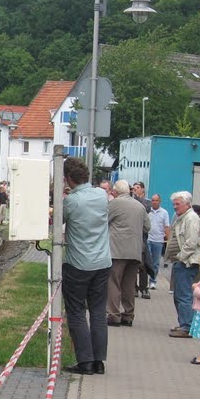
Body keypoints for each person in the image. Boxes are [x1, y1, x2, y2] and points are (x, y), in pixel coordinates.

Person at [61, 157, 112, 375]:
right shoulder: (102, 195)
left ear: (68, 178)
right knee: (99, 312)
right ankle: (99, 361)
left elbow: (57, 223)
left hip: (78, 264)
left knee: (76, 312)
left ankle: (85, 362)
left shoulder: (71, 201)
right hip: (103, 262)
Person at [106, 180, 149, 327]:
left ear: (116, 192)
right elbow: (147, 226)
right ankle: (128, 316)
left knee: (113, 282)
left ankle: (113, 315)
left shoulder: (114, 204)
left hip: (117, 251)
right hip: (135, 251)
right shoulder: (140, 206)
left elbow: (103, 221)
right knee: (129, 285)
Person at [166, 191, 200, 338]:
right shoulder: (183, 217)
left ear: (187, 204)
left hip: (187, 262)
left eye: (177, 204)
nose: (174, 207)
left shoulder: (191, 219)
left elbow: (191, 242)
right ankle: (184, 323)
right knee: (179, 295)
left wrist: (180, 257)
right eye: (174, 204)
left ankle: (186, 326)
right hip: (182, 262)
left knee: (184, 295)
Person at [146, 194, 171, 294]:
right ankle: (146, 280)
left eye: (156, 200)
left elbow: (166, 227)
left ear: (159, 201)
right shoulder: (147, 212)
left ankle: (153, 281)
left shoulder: (164, 212)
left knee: (155, 262)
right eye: (153, 200)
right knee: (148, 261)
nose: (154, 202)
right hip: (148, 239)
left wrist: (168, 240)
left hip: (158, 240)